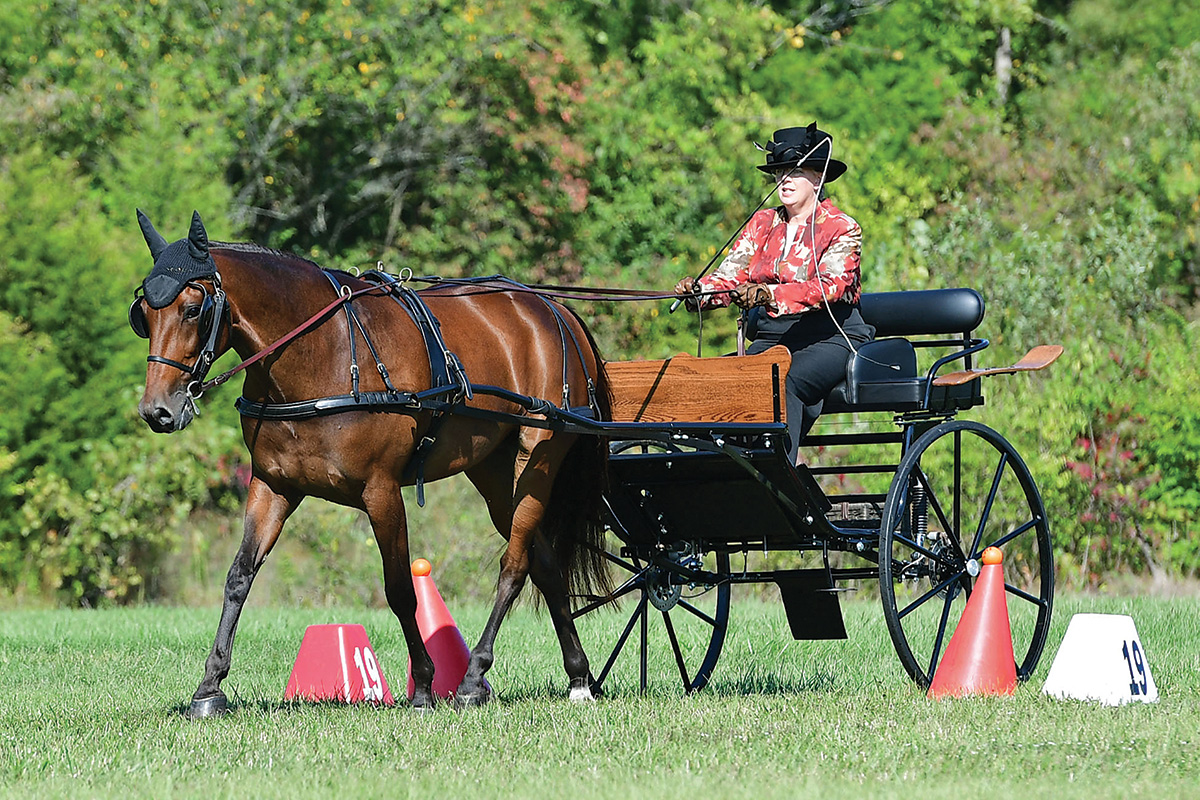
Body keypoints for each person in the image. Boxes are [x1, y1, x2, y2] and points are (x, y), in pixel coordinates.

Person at [673, 122, 874, 462]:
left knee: (782, 380)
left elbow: (831, 288)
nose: (785, 179)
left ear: (818, 178)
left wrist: (769, 296)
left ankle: (784, 476)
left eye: (795, 171)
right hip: (771, 339)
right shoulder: (762, 223)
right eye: (780, 172)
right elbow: (730, 278)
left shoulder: (842, 227)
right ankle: (718, 472)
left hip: (831, 337)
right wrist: (698, 292)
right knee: (709, 382)